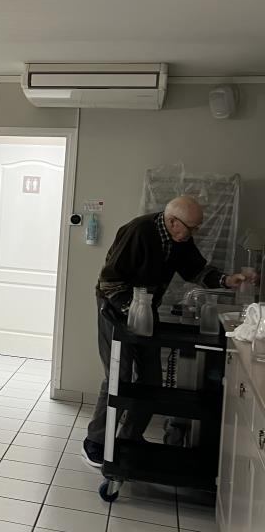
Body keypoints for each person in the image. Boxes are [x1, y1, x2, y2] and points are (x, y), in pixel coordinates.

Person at [82, 196, 248, 467]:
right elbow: (109, 281)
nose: (194, 233)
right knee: (118, 376)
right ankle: (96, 441)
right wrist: (133, 314)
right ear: (172, 222)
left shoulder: (180, 238)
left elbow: (196, 270)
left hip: (145, 306)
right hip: (114, 306)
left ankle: (130, 436)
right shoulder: (139, 231)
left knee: (151, 378)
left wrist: (227, 280)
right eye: (192, 228)